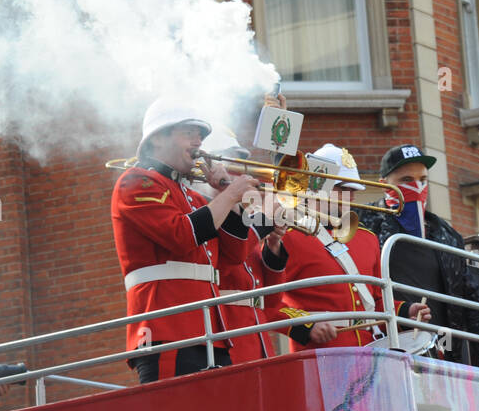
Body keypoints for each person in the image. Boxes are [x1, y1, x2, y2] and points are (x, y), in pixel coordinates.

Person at [112, 98, 259, 383]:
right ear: (157, 137)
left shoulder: (194, 196)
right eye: (189, 133)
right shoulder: (136, 182)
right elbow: (180, 236)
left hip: (212, 332)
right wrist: (229, 196)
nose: (199, 142)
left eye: (201, 135)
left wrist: (224, 196)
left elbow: (235, 254)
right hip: (166, 331)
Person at [357, 143, 479, 369]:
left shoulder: (446, 235)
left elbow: (469, 300)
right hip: (383, 347)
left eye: (423, 180)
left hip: (442, 350)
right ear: (384, 184)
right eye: (406, 180)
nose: (417, 187)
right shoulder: (363, 222)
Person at [275, 145, 430, 348]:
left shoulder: (368, 238)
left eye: (354, 189)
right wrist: (305, 326)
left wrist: (405, 311)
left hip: (369, 352)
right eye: (344, 189)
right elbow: (269, 304)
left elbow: (373, 303)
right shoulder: (289, 238)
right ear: (319, 186)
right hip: (320, 356)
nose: (352, 196)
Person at [190, 126, 288, 364]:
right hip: (229, 338)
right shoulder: (204, 211)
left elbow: (271, 301)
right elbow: (228, 262)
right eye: (231, 165)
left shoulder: (244, 217)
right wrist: (263, 220)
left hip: (259, 340)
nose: (239, 175)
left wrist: (273, 248)